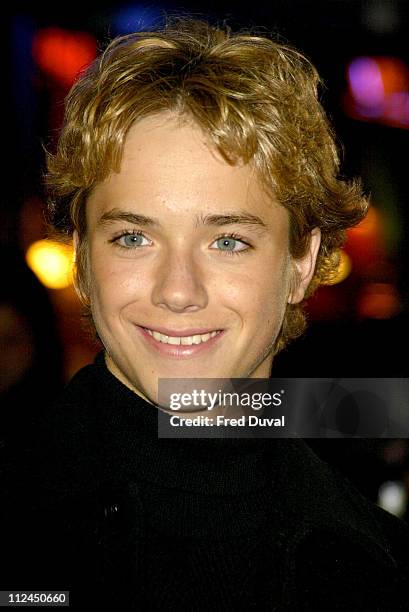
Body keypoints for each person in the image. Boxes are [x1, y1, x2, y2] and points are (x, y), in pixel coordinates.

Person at [2, 17, 409, 610]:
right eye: (133, 238)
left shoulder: (380, 564)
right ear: (83, 257)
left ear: (302, 260)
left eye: (227, 241)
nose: (178, 291)